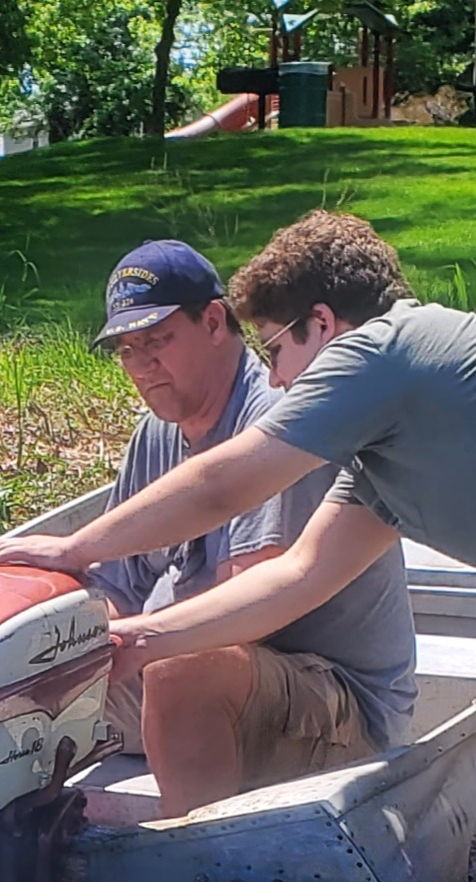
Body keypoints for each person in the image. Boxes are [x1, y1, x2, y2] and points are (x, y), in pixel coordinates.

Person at [0, 210, 476, 806]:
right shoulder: (387, 449)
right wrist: (140, 640)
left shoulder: (380, 353)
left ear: (322, 324)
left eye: (274, 351)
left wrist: (75, 548)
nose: (275, 380)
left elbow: (225, 487)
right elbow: (300, 573)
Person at [68, 238, 417, 817]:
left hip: (338, 710)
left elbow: (246, 608)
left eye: (156, 341)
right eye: (127, 350)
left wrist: (137, 638)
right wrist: (63, 646)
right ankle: (5, 852)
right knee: (15, 664)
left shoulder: (281, 424)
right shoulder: (155, 434)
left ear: (212, 323)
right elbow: (112, 590)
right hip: (197, 686)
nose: (142, 365)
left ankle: (198, 862)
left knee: (182, 669)